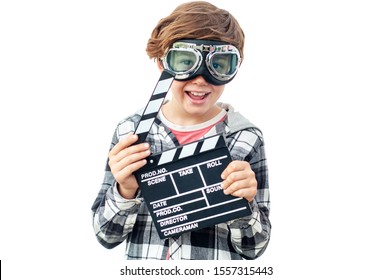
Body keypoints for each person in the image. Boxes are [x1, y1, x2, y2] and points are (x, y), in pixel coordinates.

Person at [91, 0, 271, 260]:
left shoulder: (245, 137)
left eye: (219, 65)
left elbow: (255, 248)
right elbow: (106, 236)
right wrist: (125, 190)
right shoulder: (131, 133)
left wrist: (243, 204)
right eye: (186, 62)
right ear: (163, 64)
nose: (200, 78)